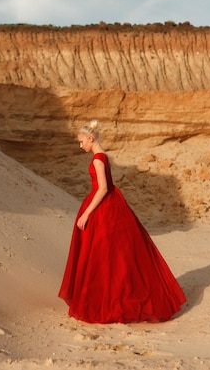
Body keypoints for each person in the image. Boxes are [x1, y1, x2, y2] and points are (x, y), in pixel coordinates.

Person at [58, 120, 187, 323]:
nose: (80, 145)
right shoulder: (102, 157)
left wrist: (86, 214)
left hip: (104, 209)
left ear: (91, 139)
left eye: (82, 141)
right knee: (115, 256)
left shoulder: (97, 160)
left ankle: (108, 302)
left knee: (102, 257)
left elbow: (102, 189)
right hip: (111, 205)